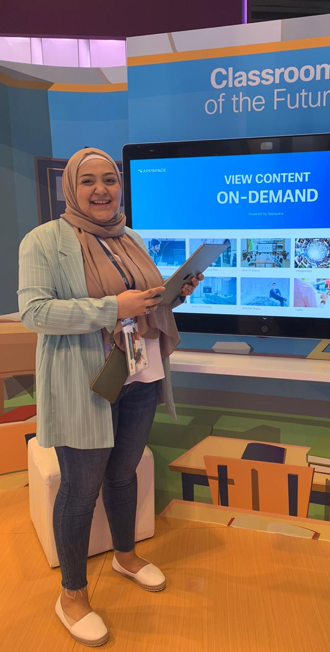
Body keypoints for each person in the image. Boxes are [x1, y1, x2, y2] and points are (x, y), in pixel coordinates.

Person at [18, 147, 203, 647]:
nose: (101, 189)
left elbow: (140, 302)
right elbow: (35, 313)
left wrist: (172, 295)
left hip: (138, 375)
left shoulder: (130, 237)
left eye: (110, 180)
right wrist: (109, 308)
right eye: (88, 181)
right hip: (85, 382)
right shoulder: (42, 242)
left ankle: (125, 556)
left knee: (123, 474)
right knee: (80, 490)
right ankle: (72, 594)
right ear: (70, 188)